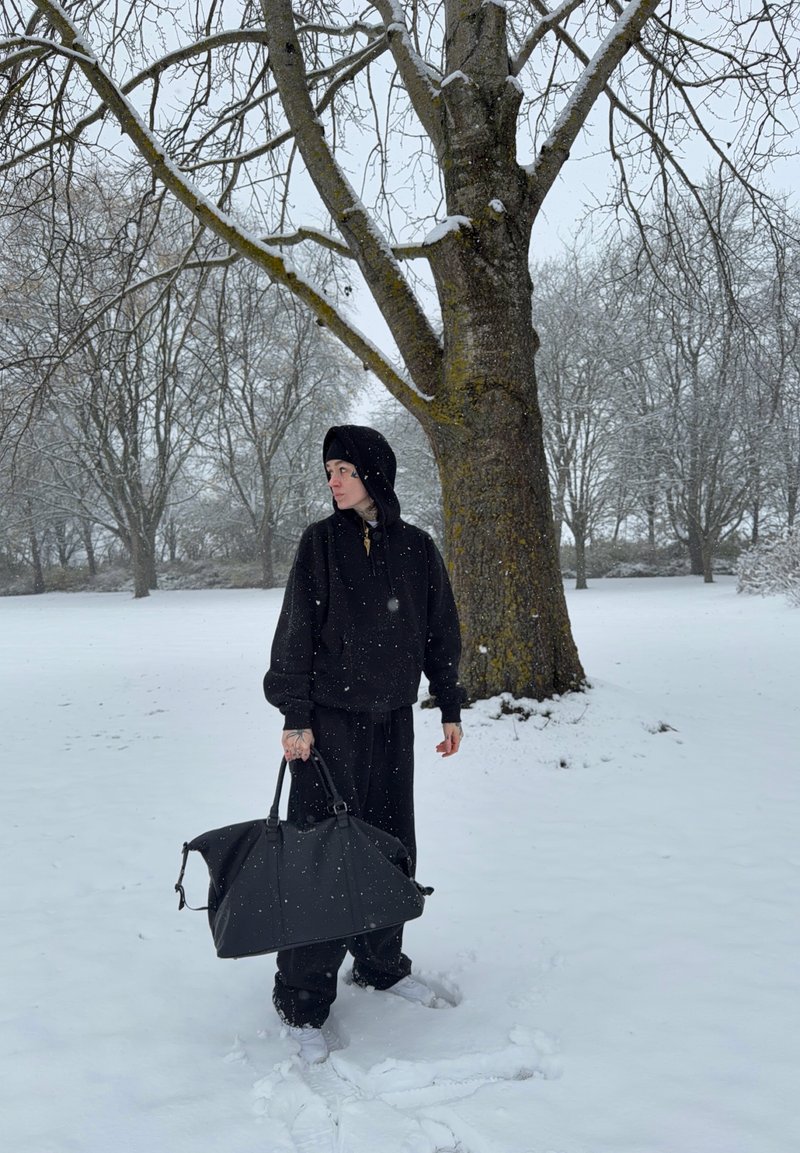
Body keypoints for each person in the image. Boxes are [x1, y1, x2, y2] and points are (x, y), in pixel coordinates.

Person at [263, 424, 464, 1063]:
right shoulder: (320, 544)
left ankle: (380, 964)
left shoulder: (416, 548)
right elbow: (295, 631)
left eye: (344, 469)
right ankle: (302, 996)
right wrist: (295, 715)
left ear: (375, 472)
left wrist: (449, 705)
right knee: (320, 854)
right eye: (329, 472)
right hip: (328, 726)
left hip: (393, 722)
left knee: (389, 842)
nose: (334, 481)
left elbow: (441, 631)